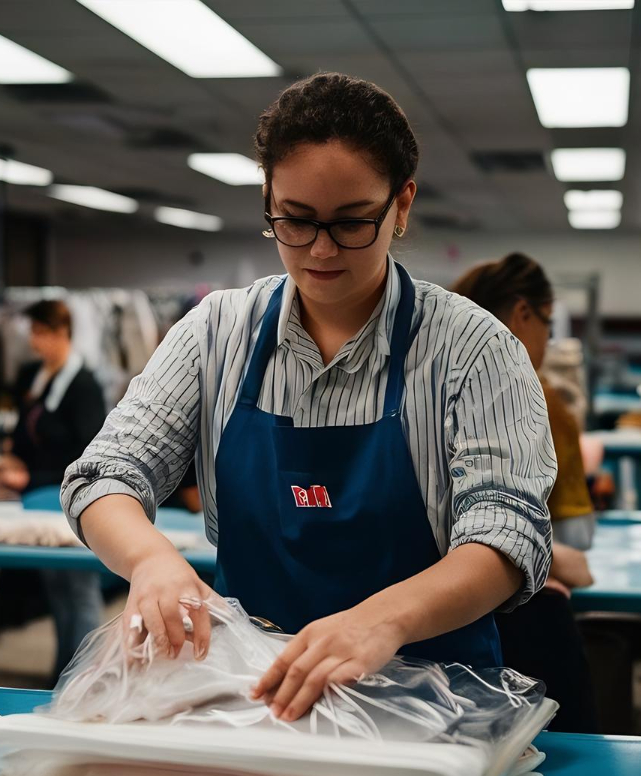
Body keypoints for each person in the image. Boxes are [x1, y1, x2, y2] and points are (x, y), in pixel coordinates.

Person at [61, 72, 556, 722]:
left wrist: (381, 622)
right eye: (294, 221)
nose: (320, 249)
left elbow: (508, 535)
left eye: (352, 223)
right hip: (252, 698)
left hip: (430, 704)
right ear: (268, 199)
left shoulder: (472, 349)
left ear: (401, 204)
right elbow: (103, 476)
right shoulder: (219, 332)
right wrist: (152, 562)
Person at [454, 253, 600, 732]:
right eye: (546, 323)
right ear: (522, 314)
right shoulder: (533, 395)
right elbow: (576, 543)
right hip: (521, 624)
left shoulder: (427, 385)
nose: (547, 340)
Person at [0, 299, 108, 679]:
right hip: (38, 499)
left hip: (68, 499)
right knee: (57, 592)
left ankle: (86, 678)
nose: (34, 342)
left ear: (61, 333)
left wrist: (30, 475)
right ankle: (65, 674)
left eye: (40, 333)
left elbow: (88, 452)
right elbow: (24, 434)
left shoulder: (84, 385)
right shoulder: (35, 378)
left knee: (79, 589)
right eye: (32, 333)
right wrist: (12, 460)